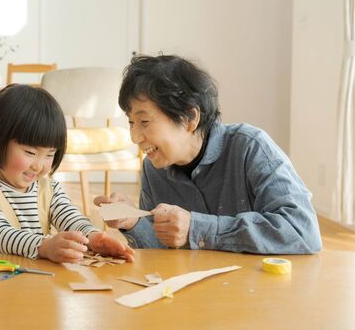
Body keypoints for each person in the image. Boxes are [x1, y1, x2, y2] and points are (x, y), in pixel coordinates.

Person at [94, 54, 322, 254]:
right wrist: (133, 221)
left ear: (190, 118)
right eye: (131, 122)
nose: (135, 137)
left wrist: (197, 228)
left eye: (144, 121)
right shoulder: (154, 169)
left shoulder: (250, 147)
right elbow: (163, 253)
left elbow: (302, 231)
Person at [0, 84, 134, 263]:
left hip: (34, 281)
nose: (39, 166)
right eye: (30, 153)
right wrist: (44, 246)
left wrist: (92, 237)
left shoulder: (49, 189)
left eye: (50, 154)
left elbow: (70, 217)